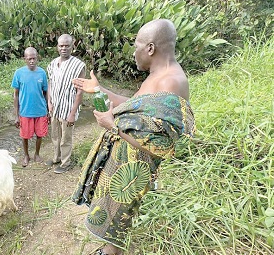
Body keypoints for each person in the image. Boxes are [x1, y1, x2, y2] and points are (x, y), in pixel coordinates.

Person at [71, 19, 196, 255]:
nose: (134, 52)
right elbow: (132, 106)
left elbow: (162, 146)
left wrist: (113, 127)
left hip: (133, 171)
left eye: (136, 45)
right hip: (124, 164)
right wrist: (98, 90)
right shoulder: (156, 76)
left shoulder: (170, 82)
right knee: (113, 216)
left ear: (150, 48)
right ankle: (109, 251)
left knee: (119, 217)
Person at [46, 34, 86, 174]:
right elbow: (50, 82)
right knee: (55, 135)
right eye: (61, 45)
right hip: (55, 108)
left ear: (72, 46)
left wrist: (73, 113)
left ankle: (66, 162)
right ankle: (56, 158)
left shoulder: (78, 65)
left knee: (66, 138)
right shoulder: (52, 63)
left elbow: (80, 92)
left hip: (68, 108)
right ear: (57, 47)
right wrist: (49, 102)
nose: (64, 48)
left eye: (67, 46)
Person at [12, 47, 49, 167]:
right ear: (25, 59)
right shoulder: (19, 73)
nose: (32, 61)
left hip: (40, 111)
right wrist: (16, 115)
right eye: (29, 59)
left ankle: (37, 154)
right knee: (25, 136)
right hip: (25, 111)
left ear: (37, 58)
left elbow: (45, 92)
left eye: (34, 58)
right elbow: (16, 95)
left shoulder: (42, 73)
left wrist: (48, 109)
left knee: (40, 134)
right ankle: (26, 155)